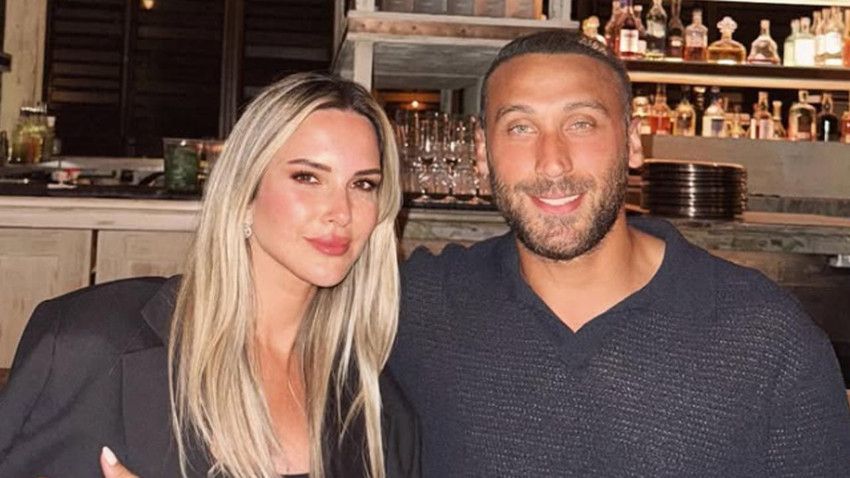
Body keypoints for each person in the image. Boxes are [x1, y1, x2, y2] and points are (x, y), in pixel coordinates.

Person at [389, 30, 850, 476]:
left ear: (632, 143)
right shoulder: (416, 307)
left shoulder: (766, 338)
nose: (553, 162)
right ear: (482, 155)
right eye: (520, 127)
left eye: (581, 123)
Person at [0, 72, 419, 478]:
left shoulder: (379, 411)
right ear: (245, 194)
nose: (341, 212)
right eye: (307, 177)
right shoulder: (89, 343)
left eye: (363, 185)